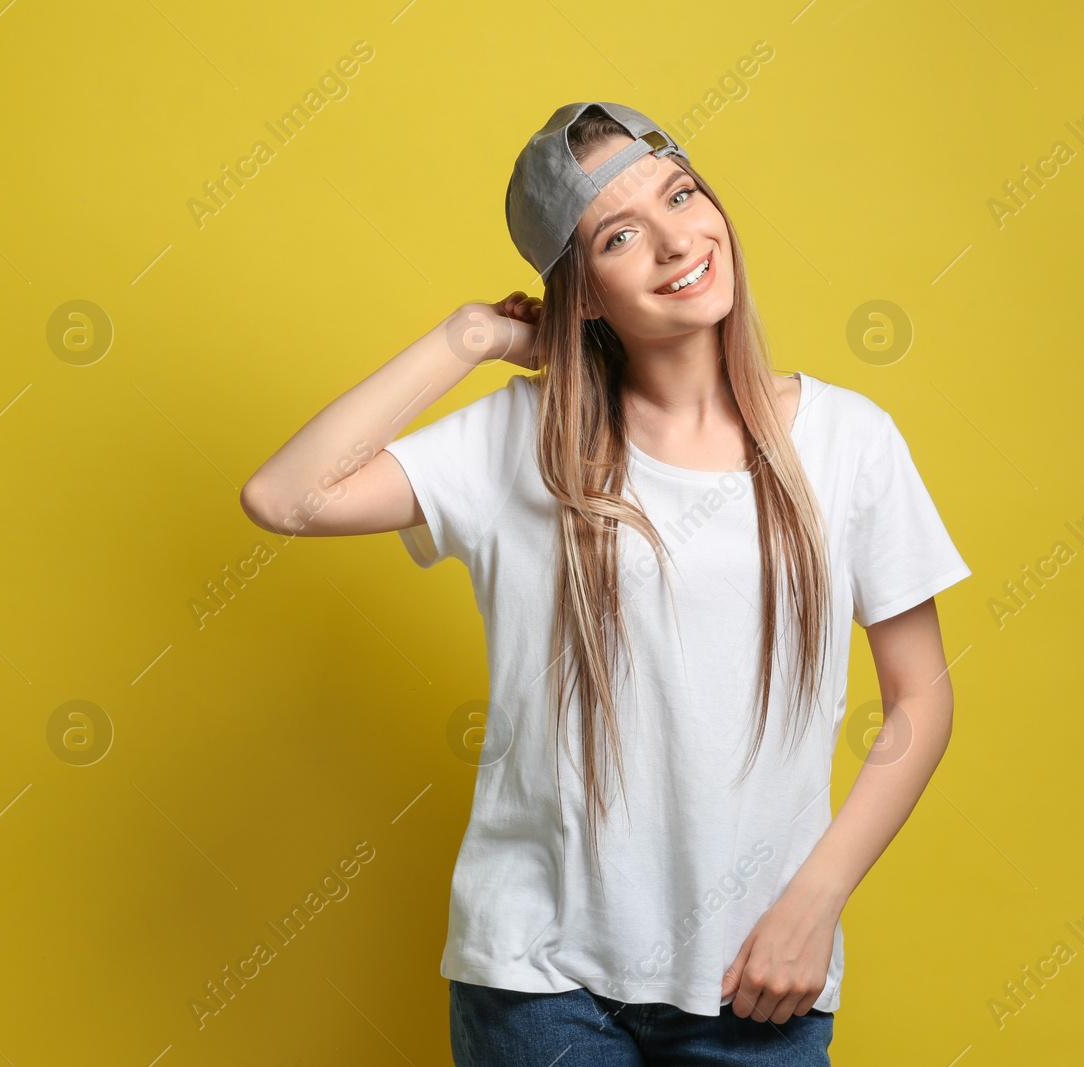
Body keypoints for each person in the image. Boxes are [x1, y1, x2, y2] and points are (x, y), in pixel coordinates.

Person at [240, 102, 972, 1066]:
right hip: (538, 982)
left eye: (682, 195)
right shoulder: (519, 441)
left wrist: (813, 904)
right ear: (580, 291)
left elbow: (920, 696)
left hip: (755, 976)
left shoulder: (848, 441)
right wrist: (474, 337)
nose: (677, 241)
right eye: (621, 236)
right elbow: (285, 496)